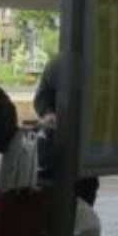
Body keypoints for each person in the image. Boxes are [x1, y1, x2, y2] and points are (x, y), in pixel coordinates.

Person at [32, 55, 100, 206]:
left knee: (85, 188)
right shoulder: (57, 64)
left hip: (86, 143)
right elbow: (41, 98)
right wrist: (48, 113)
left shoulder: (98, 63)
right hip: (59, 139)